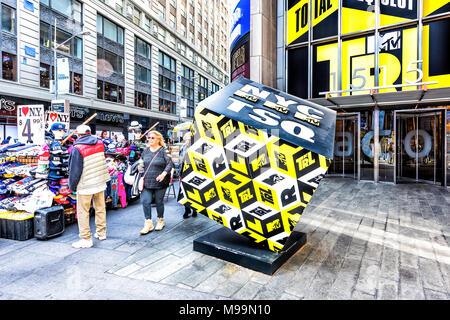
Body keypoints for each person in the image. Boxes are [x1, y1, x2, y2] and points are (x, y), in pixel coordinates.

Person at [69, 125, 111, 248]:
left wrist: (72, 186)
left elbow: (75, 170)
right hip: (100, 182)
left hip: (86, 184)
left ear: (78, 134)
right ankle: (101, 233)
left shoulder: (77, 148)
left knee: (83, 211)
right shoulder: (100, 143)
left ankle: (86, 238)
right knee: (100, 208)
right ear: (90, 133)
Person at [138, 130, 173, 234]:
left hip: (160, 181)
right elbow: (141, 160)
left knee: (159, 201)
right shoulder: (145, 151)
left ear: (158, 139)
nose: (150, 140)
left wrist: (163, 174)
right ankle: (148, 223)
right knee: (145, 201)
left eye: (153, 138)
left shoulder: (164, 151)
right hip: (147, 180)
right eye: (149, 138)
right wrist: (140, 165)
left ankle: (160, 220)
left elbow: (170, 164)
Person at [179, 132, 197, 219]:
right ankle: (187, 209)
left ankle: (194, 209)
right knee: (184, 192)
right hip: (183, 172)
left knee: (193, 192)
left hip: (193, 172)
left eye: (189, 139)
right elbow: (179, 160)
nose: (188, 141)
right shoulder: (183, 148)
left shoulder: (197, 148)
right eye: (186, 139)